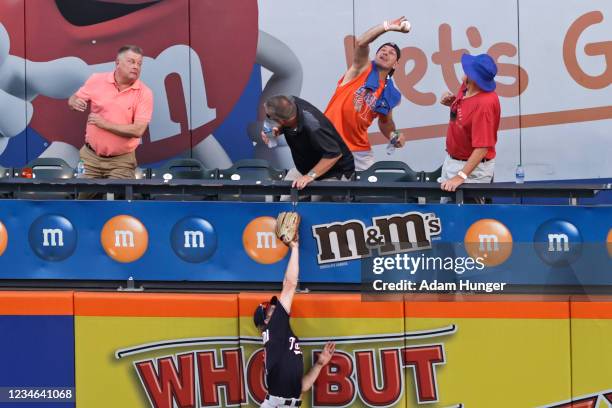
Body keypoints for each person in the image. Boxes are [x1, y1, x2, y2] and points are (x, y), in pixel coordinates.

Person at [253, 238, 336, 407]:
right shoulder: (274, 328)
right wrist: (295, 247)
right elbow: (290, 284)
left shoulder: (278, 335)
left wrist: (319, 365)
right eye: (270, 308)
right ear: (266, 320)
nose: (275, 308)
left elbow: (301, 387)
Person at [324, 16, 410, 171]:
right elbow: (361, 42)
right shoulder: (362, 69)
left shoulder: (390, 93)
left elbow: (385, 122)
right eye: (382, 50)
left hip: (358, 149)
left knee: (371, 189)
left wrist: (394, 135)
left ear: (396, 64)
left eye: (391, 53)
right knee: (315, 190)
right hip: (329, 141)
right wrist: (387, 26)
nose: (385, 53)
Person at [68, 45, 153, 179]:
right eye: (131, 61)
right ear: (117, 63)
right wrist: (73, 101)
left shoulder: (144, 93)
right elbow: (74, 99)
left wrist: (104, 124)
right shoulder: (96, 79)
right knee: (81, 198)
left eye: (139, 63)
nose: (136, 66)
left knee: (119, 198)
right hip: (90, 158)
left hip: (121, 161)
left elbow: (138, 131)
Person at [439, 53, 500, 197]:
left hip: (473, 170)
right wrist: (452, 103)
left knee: (468, 216)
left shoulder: (485, 104)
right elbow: (466, 117)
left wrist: (461, 176)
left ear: (473, 77)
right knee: (446, 212)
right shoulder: (467, 86)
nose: (464, 69)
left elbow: (482, 148)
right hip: (452, 161)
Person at [262, 95, 354, 191]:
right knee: (287, 198)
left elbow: (334, 154)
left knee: (316, 203)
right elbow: (287, 121)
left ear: (282, 120)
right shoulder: (291, 102)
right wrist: (278, 129)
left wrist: (310, 176)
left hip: (334, 171)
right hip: (306, 168)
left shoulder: (314, 126)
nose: (268, 119)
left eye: (269, 117)